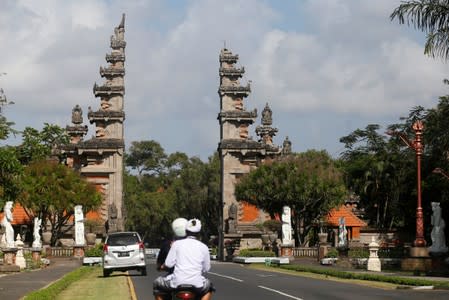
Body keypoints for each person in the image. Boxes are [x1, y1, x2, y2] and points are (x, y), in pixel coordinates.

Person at [153, 218, 213, 300]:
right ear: (199, 233)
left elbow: (168, 264)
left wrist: (162, 267)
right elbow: (206, 268)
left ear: (186, 231)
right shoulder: (204, 247)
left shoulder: (176, 244)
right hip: (197, 284)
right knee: (209, 288)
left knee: (156, 284)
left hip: (177, 282)